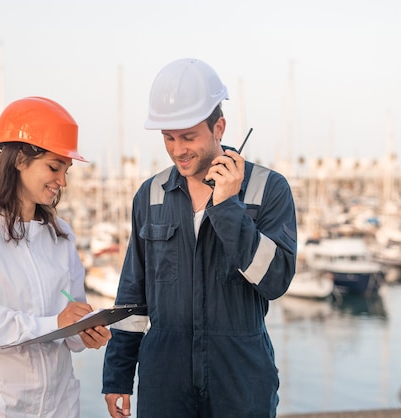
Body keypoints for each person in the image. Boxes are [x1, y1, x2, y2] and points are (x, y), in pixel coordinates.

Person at [101, 58, 297, 417]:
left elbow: (276, 280)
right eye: (168, 138)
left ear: (218, 127)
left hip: (241, 379)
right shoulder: (151, 194)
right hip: (165, 381)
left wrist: (226, 206)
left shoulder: (268, 189)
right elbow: (132, 294)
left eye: (189, 137)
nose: (178, 150)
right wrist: (117, 374)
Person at [0, 96, 111, 418]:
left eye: (66, 170)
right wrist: (51, 323)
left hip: (60, 407)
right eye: (54, 167)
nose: (62, 181)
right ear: (19, 160)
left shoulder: (62, 235)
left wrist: (85, 332)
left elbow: (71, 317)